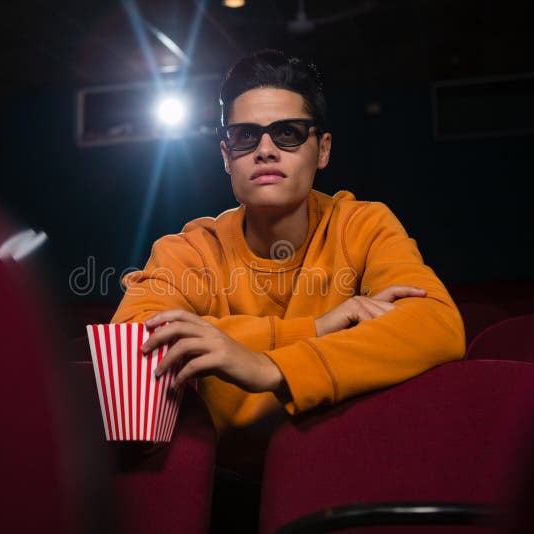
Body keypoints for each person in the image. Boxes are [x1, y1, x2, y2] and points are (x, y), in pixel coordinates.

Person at [112, 49, 465, 476]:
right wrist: (316, 329)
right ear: (226, 156)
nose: (265, 150)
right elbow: (134, 348)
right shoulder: (188, 250)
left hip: (346, 474)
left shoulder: (362, 225)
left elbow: (436, 324)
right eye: (245, 136)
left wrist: (268, 366)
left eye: (289, 133)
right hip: (219, 487)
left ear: (322, 150)